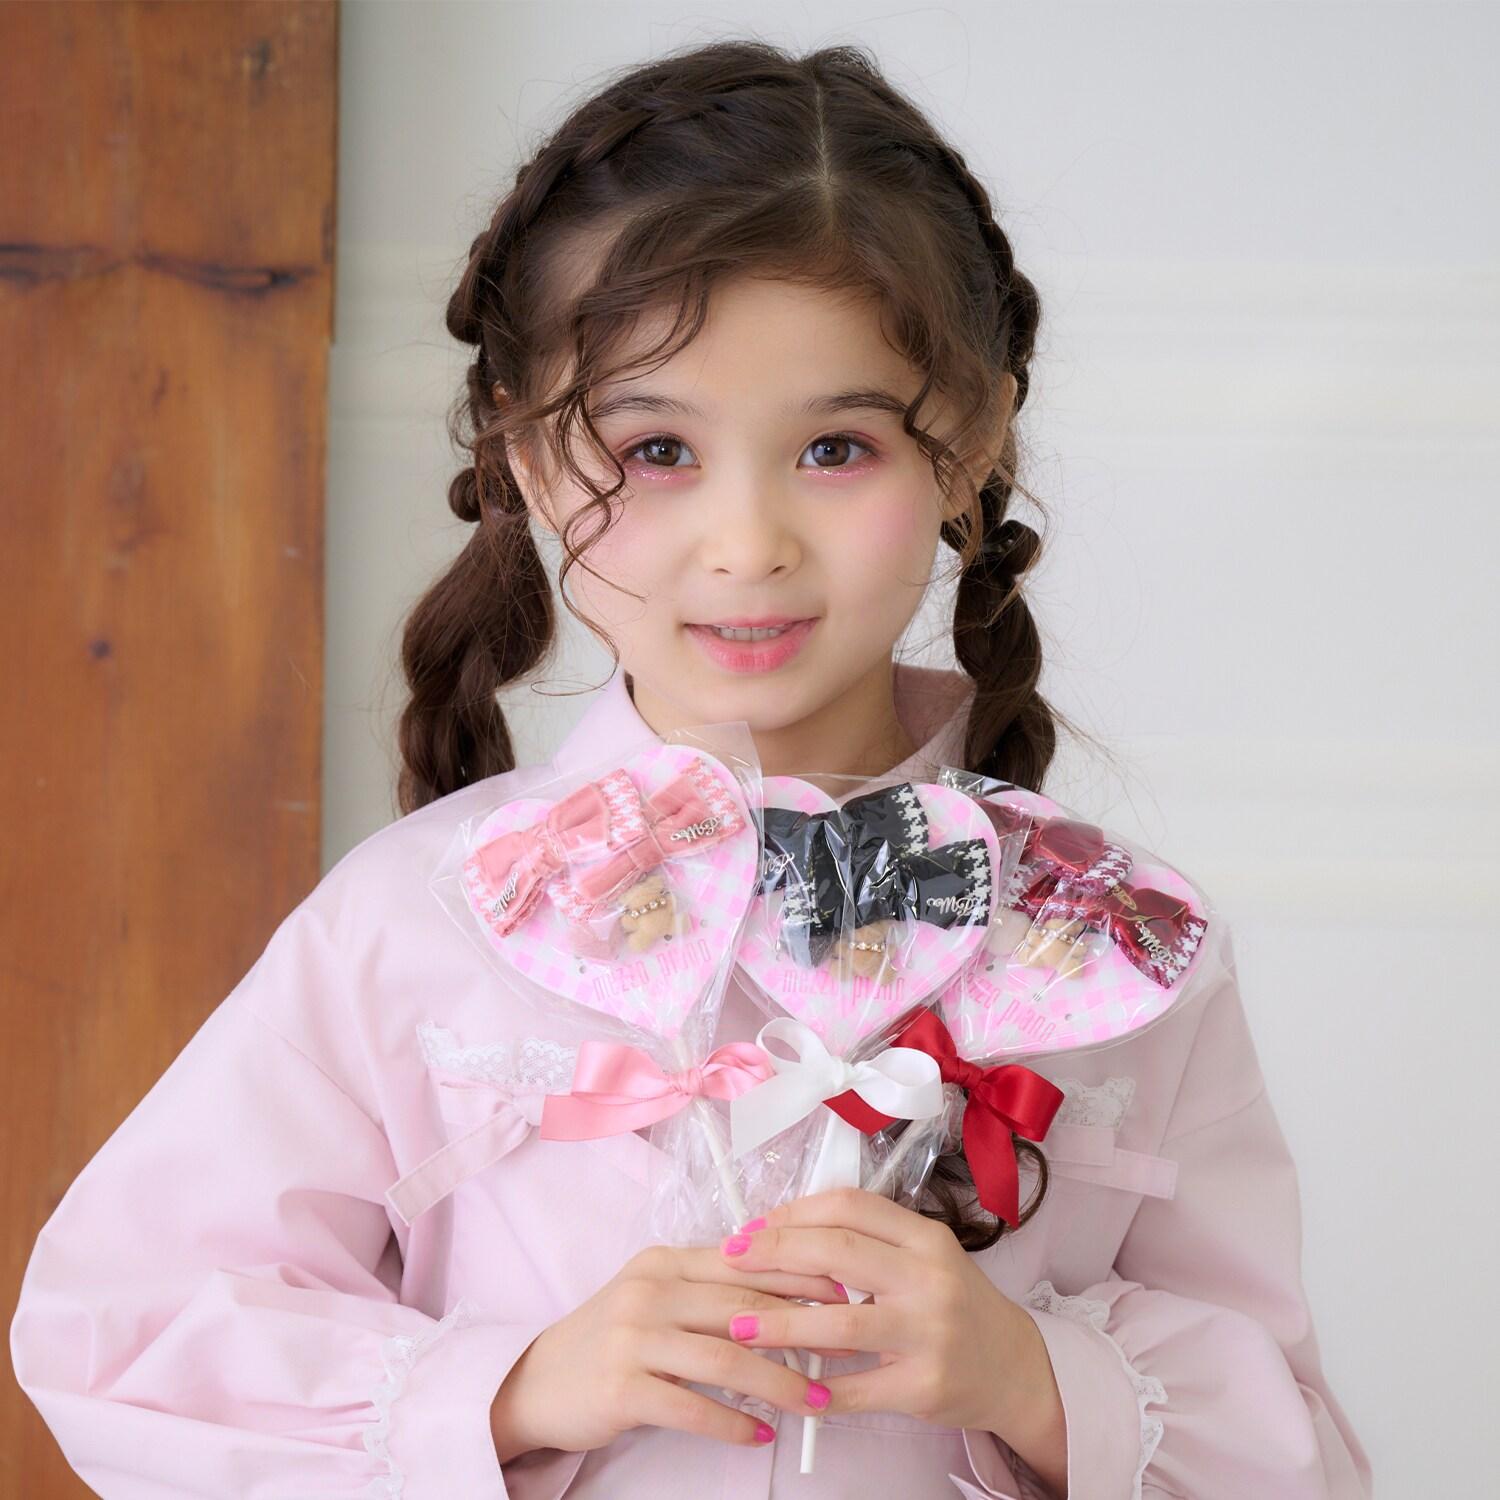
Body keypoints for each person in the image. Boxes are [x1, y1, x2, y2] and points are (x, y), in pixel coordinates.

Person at [10, 38, 1372, 1500]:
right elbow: (122, 1333)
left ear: (970, 444)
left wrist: (1031, 1377)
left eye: (837, 448)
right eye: (657, 449)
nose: (748, 544)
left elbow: (1299, 1459)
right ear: (532, 460)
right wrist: (517, 1388)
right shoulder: (409, 925)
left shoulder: (1115, 953)